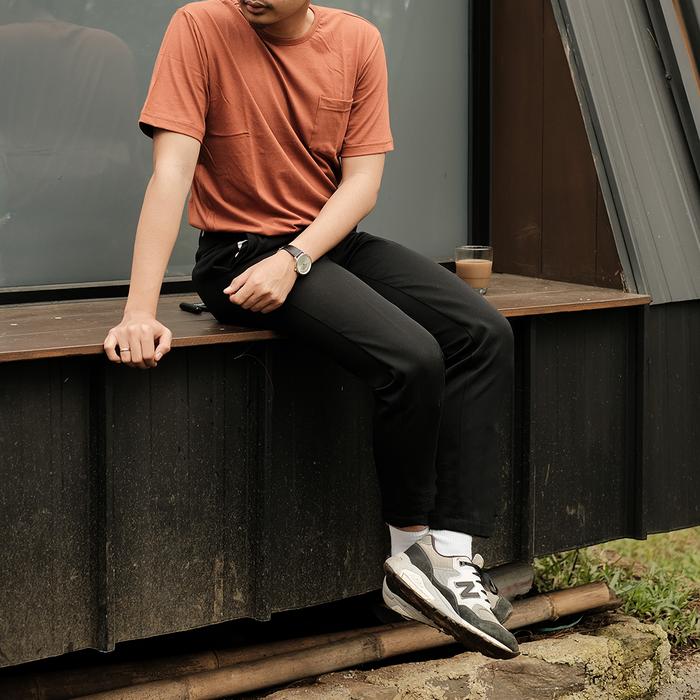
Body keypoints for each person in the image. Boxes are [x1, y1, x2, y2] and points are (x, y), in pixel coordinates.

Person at [102, 0, 519, 659]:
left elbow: (362, 184)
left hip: (321, 244)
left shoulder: (358, 41)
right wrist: (139, 310)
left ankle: (449, 559)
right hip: (239, 253)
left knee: (483, 333)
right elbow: (172, 173)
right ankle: (410, 559)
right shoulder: (200, 26)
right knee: (412, 357)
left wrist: (297, 258)